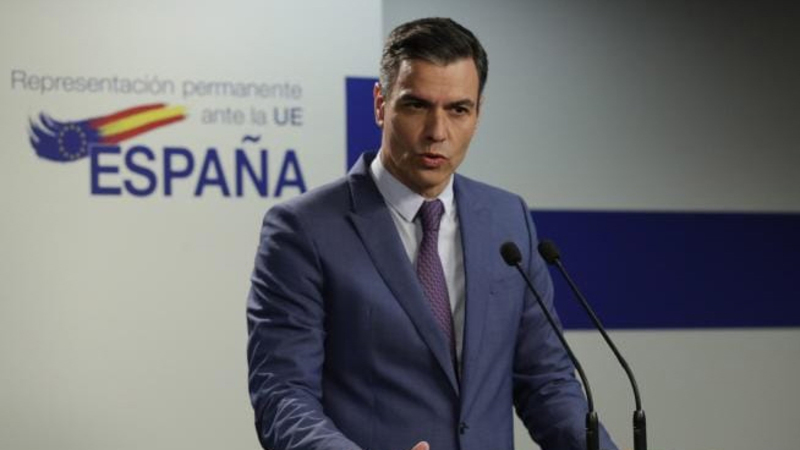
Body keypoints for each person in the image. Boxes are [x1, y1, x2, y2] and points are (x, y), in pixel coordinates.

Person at [247, 17, 617, 450]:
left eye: (458, 109)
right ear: (381, 104)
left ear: (477, 113)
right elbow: (283, 395)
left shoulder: (507, 218)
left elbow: (546, 381)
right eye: (416, 106)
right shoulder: (303, 229)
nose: (437, 132)